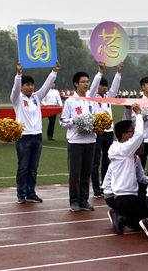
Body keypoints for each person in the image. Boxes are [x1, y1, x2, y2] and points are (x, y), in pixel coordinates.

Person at [11, 61, 60, 204]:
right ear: (22, 87)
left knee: (33, 168)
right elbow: (15, 89)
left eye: (32, 85)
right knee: (23, 167)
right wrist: (19, 74)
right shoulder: (17, 99)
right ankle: (21, 193)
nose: (31, 87)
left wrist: (54, 71)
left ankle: (31, 192)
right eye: (28, 85)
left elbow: (45, 86)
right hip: (23, 137)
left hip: (37, 137)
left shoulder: (37, 97)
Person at [108, 103, 148, 231]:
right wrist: (138, 114)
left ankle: (122, 216)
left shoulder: (123, 150)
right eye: (130, 131)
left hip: (130, 194)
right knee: (145, 223)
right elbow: (139, 136)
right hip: (124, 197)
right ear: (123, 134)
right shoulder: (123, 149)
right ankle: (122, 218)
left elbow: (141, 177)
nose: (132, 134)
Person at [60, 70, 97, 211]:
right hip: (75, 142)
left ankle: (84, 200)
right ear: (76, 84)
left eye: (87, 81)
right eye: (83, 82)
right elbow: (62, 120)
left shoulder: (91, 100)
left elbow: (96, 118)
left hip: (90, 141)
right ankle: (74, 201)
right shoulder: (70, 101)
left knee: (86, 173)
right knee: (75, 174)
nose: (86, 84)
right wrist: (76, 121)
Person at [87, 61, 123, 198]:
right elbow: (94, 85)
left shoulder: (108, 98)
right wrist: (100, 71)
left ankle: (105, 185)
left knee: (107, 162)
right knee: (95, 162)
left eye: (105, 86)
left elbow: (114, 88)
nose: (104, 88)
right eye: (101, 85)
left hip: (109, 133)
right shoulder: (92, 97)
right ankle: (96, 188)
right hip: (97, 132)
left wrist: (118, 72)